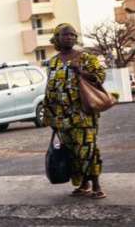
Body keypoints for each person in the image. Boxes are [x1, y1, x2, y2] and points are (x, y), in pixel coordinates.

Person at [42, 23, 106, 199]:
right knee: (71, 152)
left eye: (72, 35)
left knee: (88, 149)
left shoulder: (86, 58)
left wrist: (82, 72)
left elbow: (100, 78)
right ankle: (83, 184)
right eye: (65, 35)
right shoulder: (53, 62)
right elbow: (50, 89)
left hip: (83, 114)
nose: (70, 37)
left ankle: (97, 185)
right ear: (57, 38)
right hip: (62, 117)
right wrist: (51, 118)